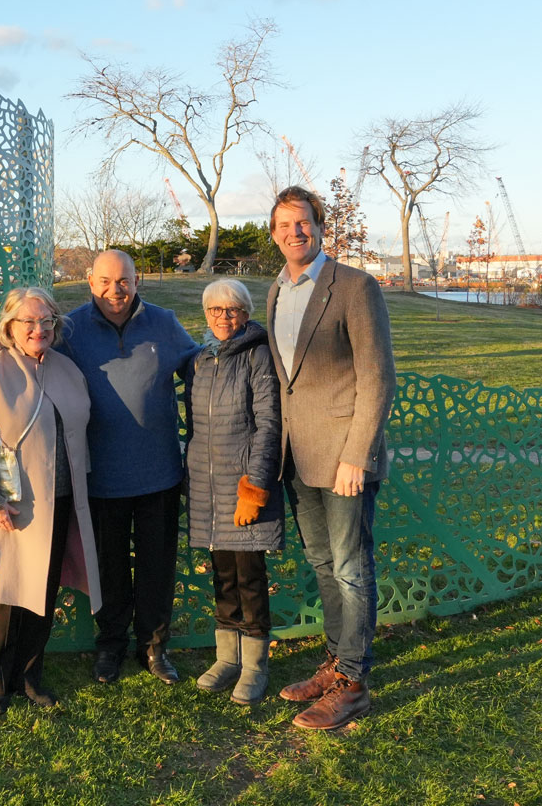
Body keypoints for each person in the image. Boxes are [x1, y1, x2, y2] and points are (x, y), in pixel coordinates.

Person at [264, 185, 397, 731]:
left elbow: (378, 379)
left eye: (304, 223)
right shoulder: (274, 290)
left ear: (321, 228)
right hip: (298, 460)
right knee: (323, 564)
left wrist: (358, 457)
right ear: (274, 235)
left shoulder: (354, 287)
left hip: (344, 459)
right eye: (284, 225)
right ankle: (336, 661)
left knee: (349, 566)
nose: (295, 232)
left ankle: (354, 683)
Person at [0, 287, 102, 714]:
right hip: (8, 505)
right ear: (9, 326)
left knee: (42, 594)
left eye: (46, 321)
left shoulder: (67, 369)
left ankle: (29, 676)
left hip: (59, 504)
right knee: (4, 597)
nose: (39, 329)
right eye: (28, 322)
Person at [58, 249, 198, 684]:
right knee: (110, 569)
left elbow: (199, 366)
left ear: (138, 281)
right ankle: (111, 646)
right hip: (99, 476)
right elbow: (34, 360)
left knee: (157, 568)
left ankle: (154, 648)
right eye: (105, 281)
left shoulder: (164, 323)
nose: (114, 291)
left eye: (124, 281)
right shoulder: (70, 328)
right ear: (89, 280)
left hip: (158, 473)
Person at [185, 279, 282, 705]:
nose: (224, 317)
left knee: (249, 578)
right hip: (208, 491)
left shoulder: (258, 355)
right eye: (215, 310)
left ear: (246, 313)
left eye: (233, 310)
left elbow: (269, 425)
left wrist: (256, 485)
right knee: (222, 576)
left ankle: (255, 664)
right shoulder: (200, 360)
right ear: (205, 314)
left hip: (242, 487)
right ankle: (227, 657)